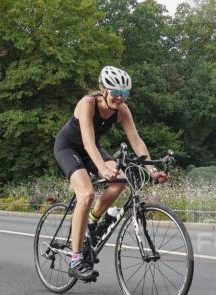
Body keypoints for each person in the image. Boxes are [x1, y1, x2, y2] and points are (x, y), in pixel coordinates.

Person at [53, 66, 168, 282]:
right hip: (68, 148)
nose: (120, 99)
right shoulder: (87, 103)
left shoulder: (122, 110)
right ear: (103, 89)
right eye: (116, 93)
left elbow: (136, 140)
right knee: (86, 194)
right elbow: (87, 142)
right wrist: (104, 168)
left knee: (120, 181)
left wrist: (151, 170)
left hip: (92, 149)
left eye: (125, 94)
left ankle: (92, 222)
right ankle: (76, 260)